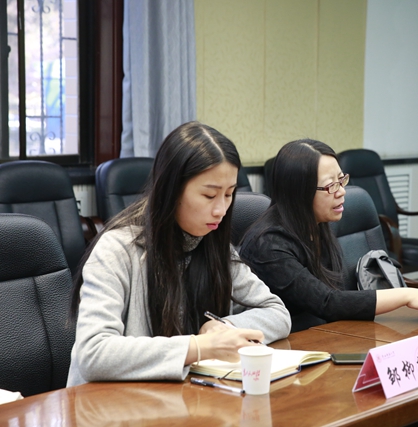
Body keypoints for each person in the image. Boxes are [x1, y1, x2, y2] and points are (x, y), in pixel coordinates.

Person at [67, 121, 291, 386]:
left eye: (229, 194)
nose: (221, 209)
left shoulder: (212, 244)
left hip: (183, 397)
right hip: (110, 402)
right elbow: (94, 353)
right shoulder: (116, 249)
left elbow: (277, 312)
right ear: (171, 190)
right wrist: (199, 347)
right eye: (209, 195)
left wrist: (224, 328)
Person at [239, 139, 418, 332]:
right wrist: (406, 295)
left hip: (331, 333)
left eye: (342, 180)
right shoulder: (268, 243)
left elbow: (338, 293)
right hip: (289, 346)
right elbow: (327, 302)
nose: (342, 191)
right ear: (299, 192)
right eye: (331, 186)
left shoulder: (317, 223)